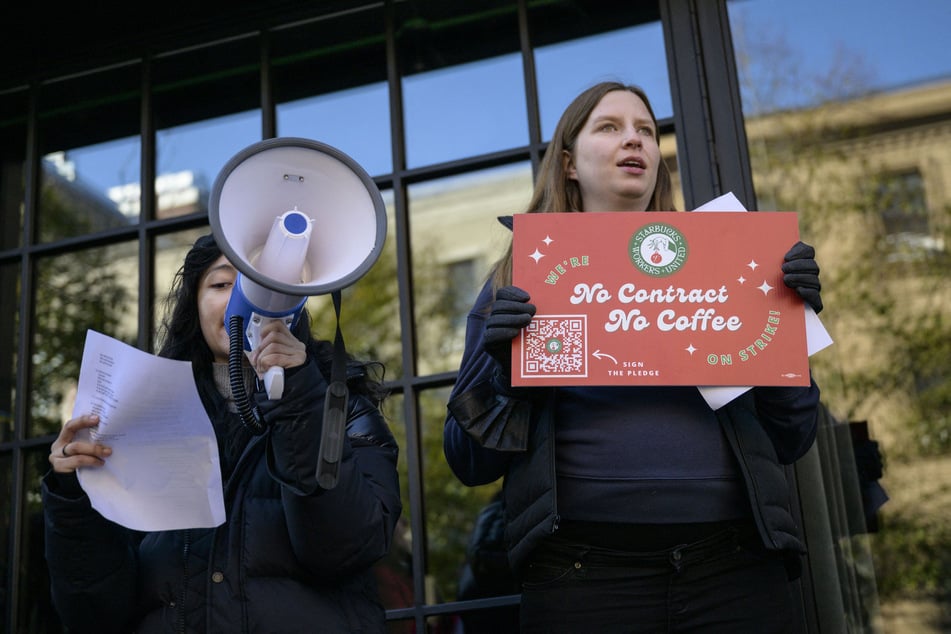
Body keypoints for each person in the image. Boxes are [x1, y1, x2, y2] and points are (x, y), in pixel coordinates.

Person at [443, 81, 824, 633]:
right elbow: (467, 463)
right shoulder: (517, 280)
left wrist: (787, 326)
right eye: (610, 127)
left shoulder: (729, 268)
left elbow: (792, 437)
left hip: (736, 570)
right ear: (569, 164)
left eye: (646, 130)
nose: (635, 140)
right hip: (583, 581)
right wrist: (506, 376)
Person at [42, 233, 402, 633]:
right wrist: (75, 496)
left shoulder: (341, 408)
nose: (241, 299)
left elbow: (347, 548)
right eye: (221, 284)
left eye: (259, 284)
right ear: (194, 305)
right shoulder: (140, 420)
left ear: (292, 303)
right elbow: (91, 611)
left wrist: (300, 396)